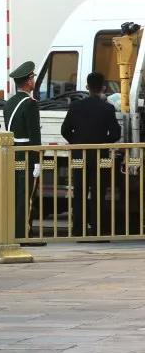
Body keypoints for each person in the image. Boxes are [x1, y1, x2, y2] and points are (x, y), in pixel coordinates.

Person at [61, 71, 122, 236]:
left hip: (79, 156)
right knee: (98, 193)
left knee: (79, 193)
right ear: (103, 88)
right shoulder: (107, 108)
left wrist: (76, 143)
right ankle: (97, 230)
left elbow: (65, 130)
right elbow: (116, 133)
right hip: (99, 156)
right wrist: (103, 143)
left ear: (87, 87)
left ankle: (78, 230)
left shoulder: (75, 106)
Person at [4, 61, 41, 238]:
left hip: (14, 152)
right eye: (32, 78)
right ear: (28, 81)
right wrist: (37, 162)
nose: (34, 81)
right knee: (26, 195)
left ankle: (14, 230)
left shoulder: (9, 103)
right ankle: (24, 232)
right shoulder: (30, 104)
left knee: (16, 194)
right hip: (27, 153)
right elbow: (35, 136)